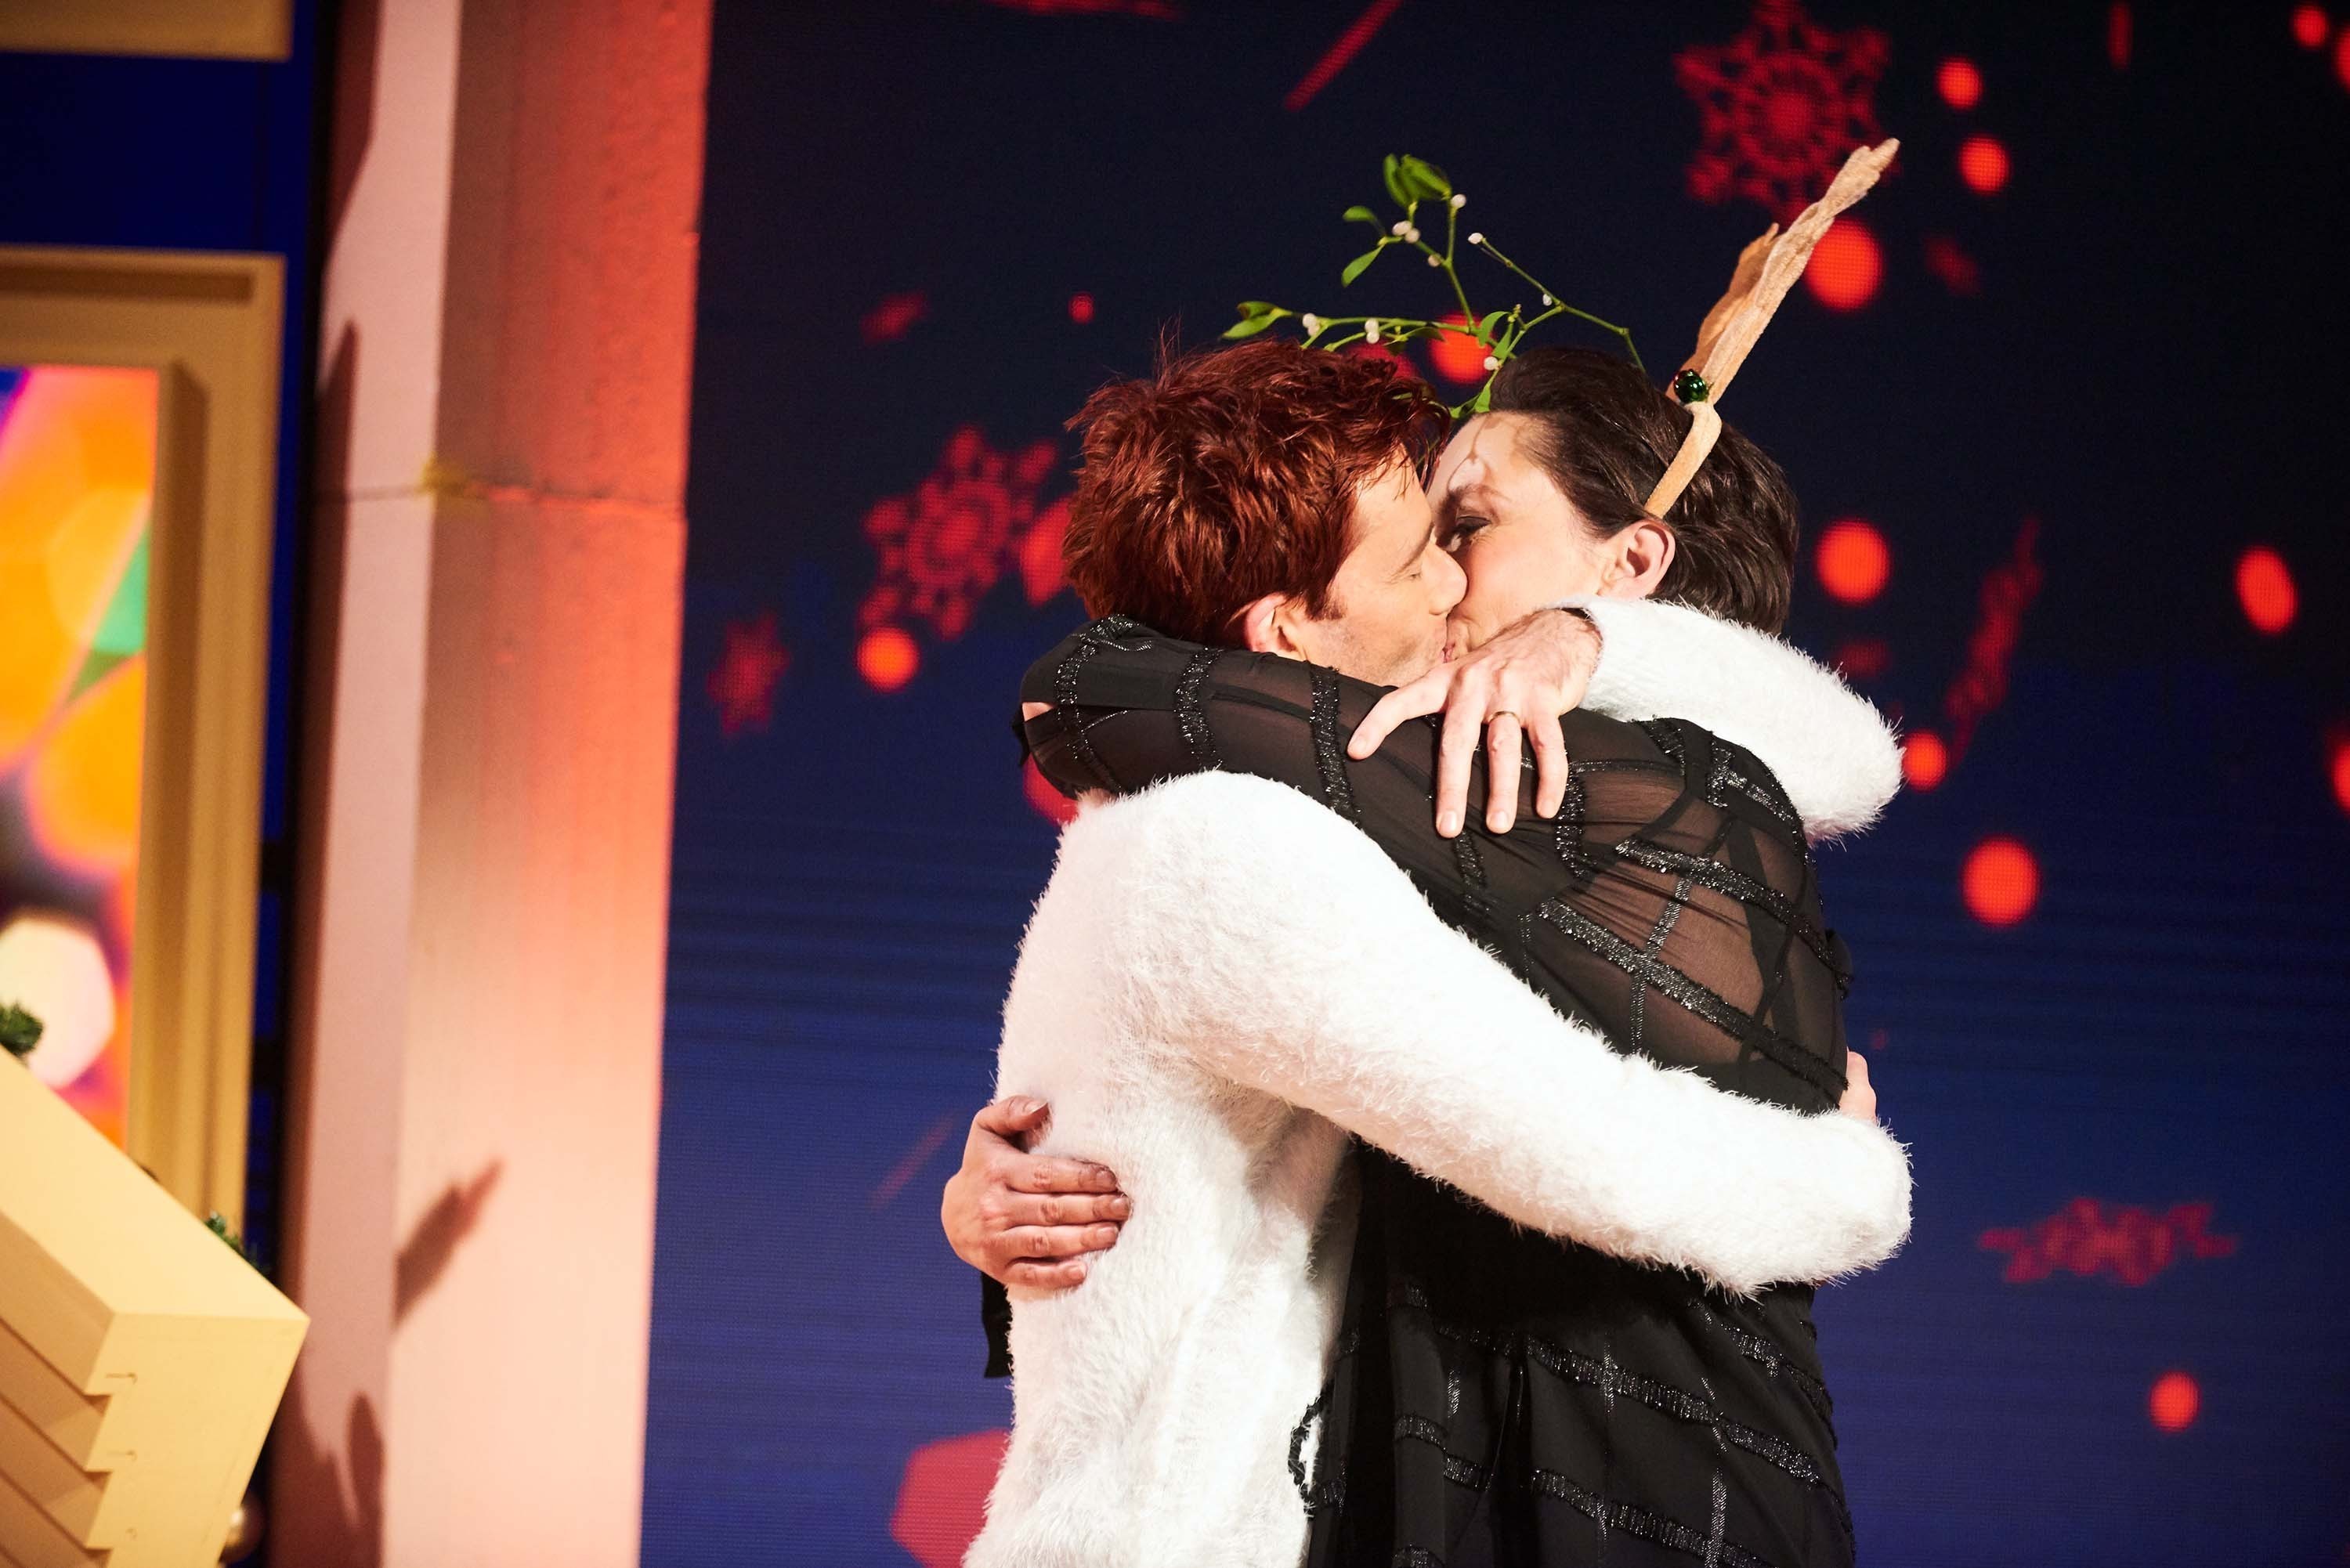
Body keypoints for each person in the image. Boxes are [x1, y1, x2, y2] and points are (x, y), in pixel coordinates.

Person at [957, 340, 1909, 1568]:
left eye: (1467, 527)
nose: (1448, 582)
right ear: (1293, 622)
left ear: (1630, 564)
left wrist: (1591, 643)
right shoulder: (1341, 816)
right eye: (1425, 544)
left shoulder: (1679, 792)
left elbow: (1090, 688)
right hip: (1423, 1485)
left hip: (1657, 1491)